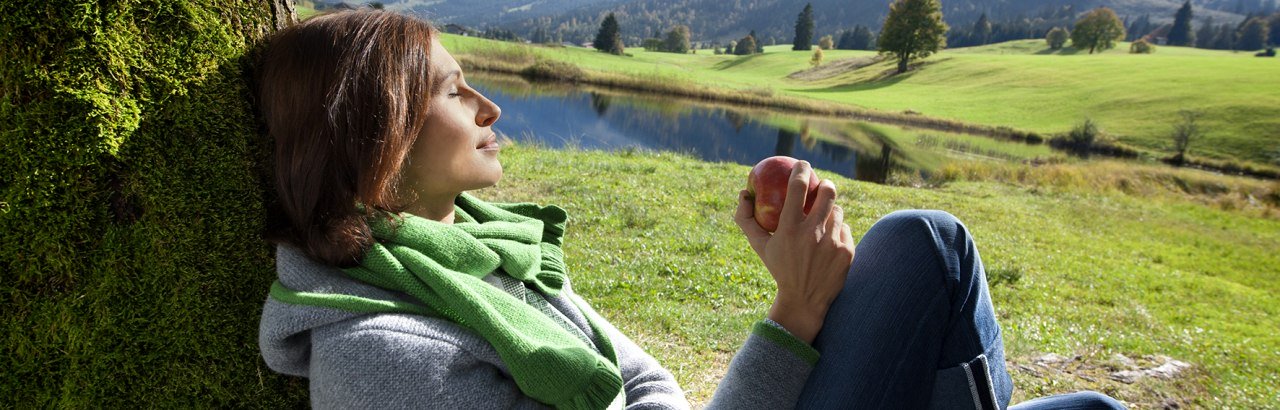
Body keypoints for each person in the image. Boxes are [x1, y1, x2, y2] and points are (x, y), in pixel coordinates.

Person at [255, 9, 1125, 410]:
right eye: (453, 91)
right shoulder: (384, 362)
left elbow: (651, 387)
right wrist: (796, 311)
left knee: (924, 244)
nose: (490, 106)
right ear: (379, 137)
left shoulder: (484, 251)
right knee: (933, 245)